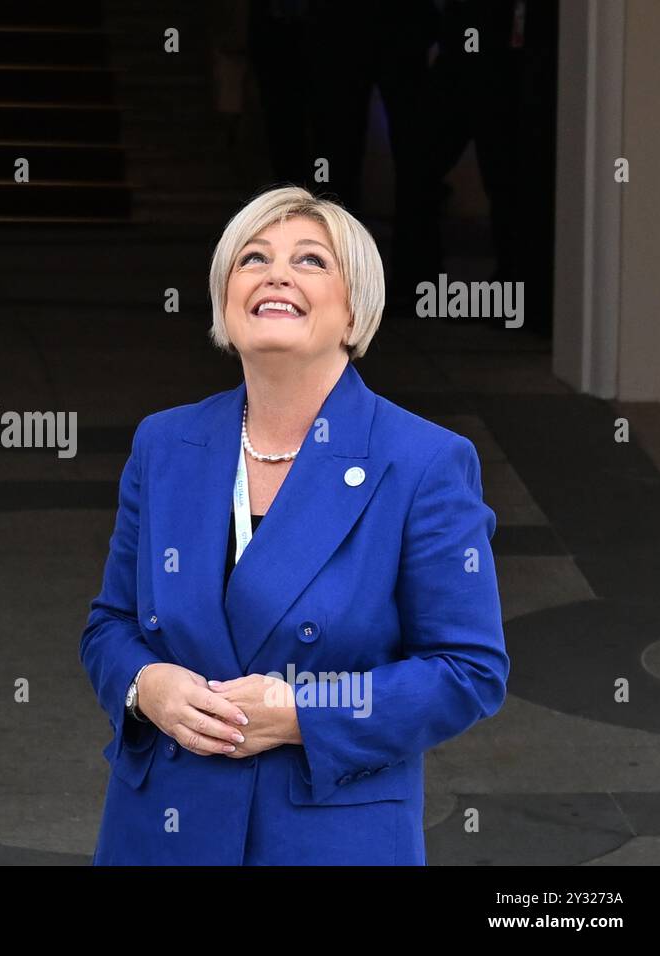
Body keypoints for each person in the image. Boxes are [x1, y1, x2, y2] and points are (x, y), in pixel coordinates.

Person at [80, 185, 509, 865]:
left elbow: (468, 670)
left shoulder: (423, 461)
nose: (275, 273)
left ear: (353, 311)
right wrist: (145, 687)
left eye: (310, 261)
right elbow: (111, 625)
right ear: (227, 300)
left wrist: (304, 711)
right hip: (161, 830)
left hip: (326, 836)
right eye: (252, 258)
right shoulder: (165, 444)